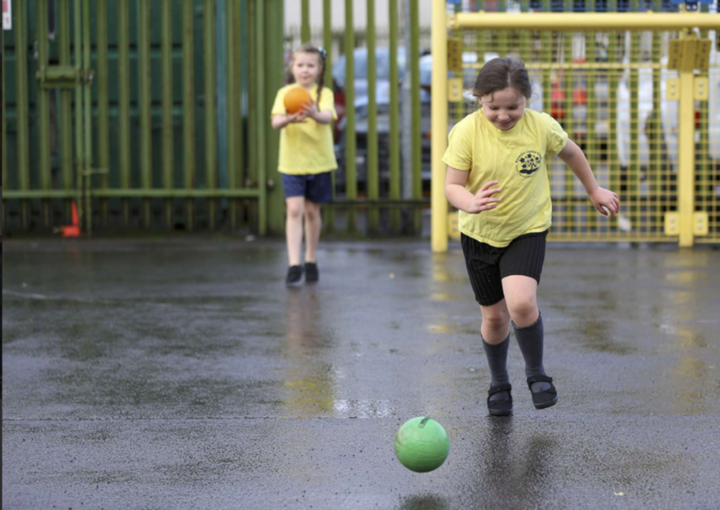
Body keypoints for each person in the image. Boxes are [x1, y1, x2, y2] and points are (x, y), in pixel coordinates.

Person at [442, 57, 620, 417]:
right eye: (494, 108)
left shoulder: (541, 127)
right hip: (479, 234)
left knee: (521, 303)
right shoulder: (466, 131)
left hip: (527, 227)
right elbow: (452, 186)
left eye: (513, 107)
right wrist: (471, 202)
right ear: (479, 100)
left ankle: (537, 374)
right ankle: (498, 383)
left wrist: (594, 189)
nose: (503, 115)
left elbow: (571, 152)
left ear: (527, 100)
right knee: (494, 318)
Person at [271, 44, 337, 286]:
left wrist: (313, 113)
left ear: (319, 69)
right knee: (294, 210)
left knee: (311, 212)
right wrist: (289, 117)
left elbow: (328, 117)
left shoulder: (323, 94)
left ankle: (310, 259)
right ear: (292, 67)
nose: (305, 70)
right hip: (291, 162)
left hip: (319, 162)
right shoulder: (285, 93)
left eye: (310, 65)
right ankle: (293, 263)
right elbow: (276, 122)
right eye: (300, 65)